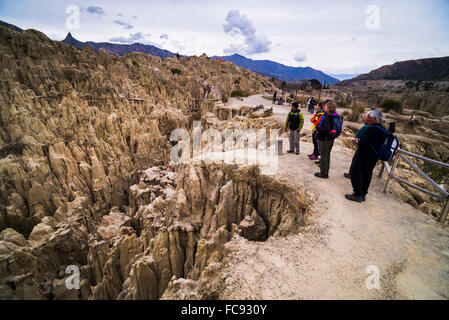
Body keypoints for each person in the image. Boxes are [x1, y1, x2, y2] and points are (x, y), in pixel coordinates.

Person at [345, 110, 387, 202]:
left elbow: (363, 142)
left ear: (374, 119)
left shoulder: (372, 129)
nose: (367, 119)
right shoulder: (382, 129)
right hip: (373, 157)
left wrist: (358, 141)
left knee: (356, 172)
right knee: (367, 174)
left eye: (368, 117)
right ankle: (363, 194)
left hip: (364, 155)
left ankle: (357, 194)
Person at [314, 100, 338, 178]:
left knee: (324, 156)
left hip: (324, 139)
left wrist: (317, 128)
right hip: (330, 138)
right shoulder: (334, 116)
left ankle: (323, 173)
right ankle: (325, 171)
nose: (324, 107)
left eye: (326, 106)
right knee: (327, 155)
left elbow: (325, 129)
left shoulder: (328, 117)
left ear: (329, 108)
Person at [343, 113, 369, 178]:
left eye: (365, 117)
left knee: (356, 161)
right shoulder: (369, 126)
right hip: (364, 147)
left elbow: (360, 136)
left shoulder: (366, 127)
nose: (364, 118)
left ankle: (352, 174)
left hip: (362, 147)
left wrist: (357, 140)